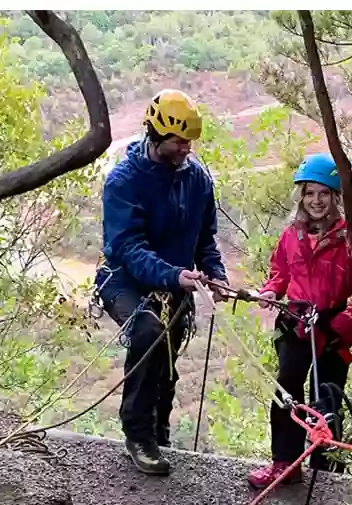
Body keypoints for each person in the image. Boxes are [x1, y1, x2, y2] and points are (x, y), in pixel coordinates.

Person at [95, 89, 229, 476]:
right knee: (149, 332)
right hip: (125, 280)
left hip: (175, 283)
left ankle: (159, 432)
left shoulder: (197, 178)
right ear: (156, 135)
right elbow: (128, 247)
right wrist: (172, 275)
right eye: (179, 140)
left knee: (167, 355)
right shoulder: (125, 181)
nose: (187, 147)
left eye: (189, 140)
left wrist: (216, 275)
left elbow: (204, 238)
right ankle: (138, 435)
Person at [247, 152, 352, 489]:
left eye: (323, 193)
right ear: (301, 197)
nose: (316, 201)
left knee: (328, 396)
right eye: (309, 193)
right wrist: (270, 292)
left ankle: (326, 472)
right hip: (297, 320)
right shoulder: (292, 235)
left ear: (335, 197)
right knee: (287, 388)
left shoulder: (351, 233)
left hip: (333, 325)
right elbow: (280, 271)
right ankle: (285, 464)